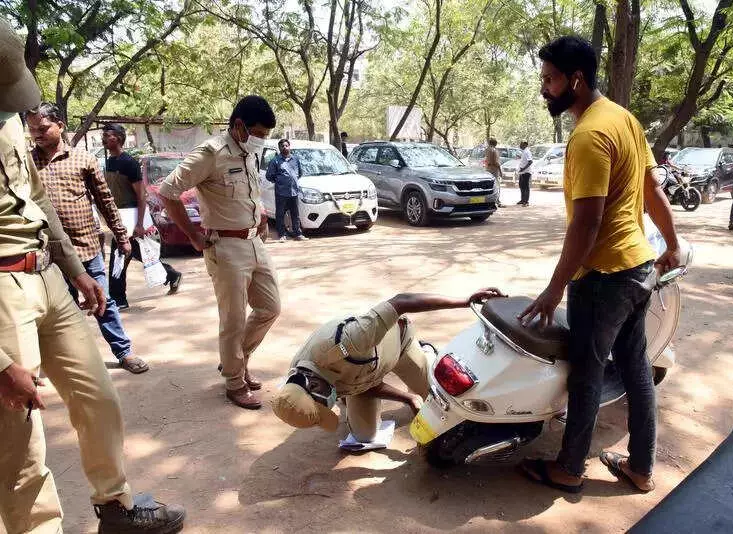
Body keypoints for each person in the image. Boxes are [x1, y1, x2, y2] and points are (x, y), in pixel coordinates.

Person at [0, 20, 184, 533]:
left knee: (98, 396)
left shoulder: (13, 124)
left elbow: (36, 202)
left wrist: (77, 272)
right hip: (1, 297)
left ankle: (117, 508)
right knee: (19, 439)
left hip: (47, 276)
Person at [516, 36, 680, 494]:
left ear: (576, 79)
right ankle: (641, 469)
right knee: (635, 368)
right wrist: (671, 244)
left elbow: (586, 225)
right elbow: (653, 190)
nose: (544, 89)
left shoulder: (588, 135)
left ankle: (570, 468)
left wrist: (553, 289)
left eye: (549, 80)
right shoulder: (624, 119)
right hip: (639, 270)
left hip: (604, 279)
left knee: (587, 373)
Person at [158, 95, 280, 410]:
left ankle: (237, 361)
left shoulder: (248, 152)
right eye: (259, 133)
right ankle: (235, 383)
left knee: (270, 307)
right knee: (234, 320)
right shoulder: (210, 154)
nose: (261, 140)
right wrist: (194, 236)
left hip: (254, 242)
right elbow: (167, 192)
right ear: (239, 126)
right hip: (225, 248)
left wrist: (261, 215)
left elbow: (248, 193)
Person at [271, 289, 504, 441]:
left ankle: (426, 354)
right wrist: (407, 398)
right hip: (365, 376)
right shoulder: (305, 378)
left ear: (312, 385)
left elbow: (402, 301)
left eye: (324, 406)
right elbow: (359, 385)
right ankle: (359, 400)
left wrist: (464, 300)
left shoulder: (350, 340)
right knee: (364, 436)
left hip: (398, 347)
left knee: (442, 402)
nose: (328, 409)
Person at [26, 103, 150, 374]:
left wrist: (122, 236)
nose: (37, 134)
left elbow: (106, 201)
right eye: (32, 129)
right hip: (47, 253)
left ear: (60, 125)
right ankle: (71, 362)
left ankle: (124, 353)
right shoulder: (26, 164)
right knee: (58, 310)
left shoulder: (84, 160)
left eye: (43, 128)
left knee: (102, 300)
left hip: (87, 246)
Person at [102, 123, 182, 309]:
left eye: (109, 134)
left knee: (119, 255)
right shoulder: (109, 162)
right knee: (135, 254)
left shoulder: (128, 163)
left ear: (119, 138)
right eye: (104, 134)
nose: (105, 138)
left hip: (132, 216)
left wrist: (139, 224)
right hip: (119, 217)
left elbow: (141, 195)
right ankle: (171, 275)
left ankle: (118, 299)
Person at [265, 139, 307, 242]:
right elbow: (269, 176)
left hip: (294, 191)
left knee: (295, 214)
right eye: (282, 146)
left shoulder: (295, 159)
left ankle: (298, 234)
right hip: (281, 192)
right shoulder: (275, 161)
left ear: (289, 146)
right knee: (280, 214)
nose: (285, 147)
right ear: (279, 148)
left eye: (286, 145)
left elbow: (300, 173)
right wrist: (280, 181)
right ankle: (282, 235)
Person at [485, 138, 504, 207]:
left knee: (490, 185)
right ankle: (497, 201)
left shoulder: (487, 150)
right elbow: (496, 162)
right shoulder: (494, 150)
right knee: (497, 185)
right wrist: (500, 171)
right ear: (495, 143)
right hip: (494, 169)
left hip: (488, 169)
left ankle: (491, 201)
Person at [517, 141, 533, 206]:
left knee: (526, 187)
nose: (520, 145)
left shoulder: (527, 152)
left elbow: (530, 161)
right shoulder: (524, 151)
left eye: (521, 144)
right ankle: (522, 199)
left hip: (526, 172)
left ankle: (526, 202)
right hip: (522, 172)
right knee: (521, 186)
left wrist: (523, 168)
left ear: (525, 145)